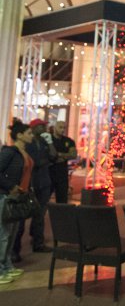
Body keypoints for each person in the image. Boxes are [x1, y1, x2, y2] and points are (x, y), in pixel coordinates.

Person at [13, 119, 54, 261]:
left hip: (43, 183)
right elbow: (34, 162)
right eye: (41, 126)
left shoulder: (43, 142)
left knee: (40, 214)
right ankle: (15, 251)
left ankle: (38, 242)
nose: (44, 127)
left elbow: (53, 157)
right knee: (21, 218)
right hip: (30, 184)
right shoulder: (26, 144)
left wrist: (50, 143)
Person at [0, 122, 34, 284]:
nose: (32, 135)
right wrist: (10, 186)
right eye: (29, 133)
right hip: (6, 196)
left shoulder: (24, 152)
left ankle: (7, 266)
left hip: (18, 198)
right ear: (19, 135)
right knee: (4, 234)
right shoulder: (9, 152)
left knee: (12, 234)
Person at [49, 121, 77, 203]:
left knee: (62, 199)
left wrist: (59, 154)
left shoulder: (69, 141)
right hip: (49, 172)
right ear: (55, 128)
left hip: (62, 173)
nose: (62, 130)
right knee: (44, 198)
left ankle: (60, 215)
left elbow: (73, 155)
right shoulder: (49, 140)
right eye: (60, 127)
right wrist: (64, 155)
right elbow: (48, 155)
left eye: (64, 127)